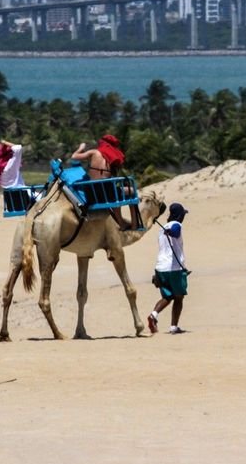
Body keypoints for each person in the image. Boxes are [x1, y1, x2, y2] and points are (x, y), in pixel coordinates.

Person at [71, 134, 138, 229]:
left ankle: (121, 223)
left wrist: (81, 148)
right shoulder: (111, 158)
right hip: (107, 193)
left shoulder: (94, 152)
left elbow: (74, 156)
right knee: (131, 191)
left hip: (92, 194)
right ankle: (134, 224)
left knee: (114, 195)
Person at [147, 203, 190, 335]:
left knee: (168, 296)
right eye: (183, 214)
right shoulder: (176, 225)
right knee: (179, 297)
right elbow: (176, 231)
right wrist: (172, 232)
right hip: (174, 269)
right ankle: (173, 327)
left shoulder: (162, 229)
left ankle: (153, 315)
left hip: (160, 267)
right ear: (179, 215)